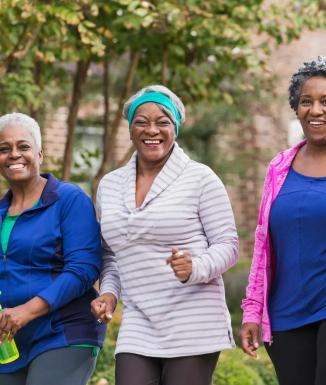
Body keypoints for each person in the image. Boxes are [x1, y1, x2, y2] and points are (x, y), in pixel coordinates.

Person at [91, 85, 239, 385]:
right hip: (139, 319)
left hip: (192, 320)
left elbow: (228, 245)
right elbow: (110, 253)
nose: (152, 130)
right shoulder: (109, 185)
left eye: (162, 122)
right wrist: (109, 292)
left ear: (176, 128)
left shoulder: (200, 178)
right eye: (141, 122)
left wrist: (195, 267)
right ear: (130, 130)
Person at [240, 56, 326, 385]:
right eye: (306, 101)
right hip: (286, 312)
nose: (315, 110)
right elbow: (263, 244)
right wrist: (252, 309)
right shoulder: (279, 168)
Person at [0, 113, 105, 385]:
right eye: (4, 149)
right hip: (10, 343)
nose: (14, 154)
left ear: (40, 154)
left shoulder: (69, 200)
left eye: (23, 147)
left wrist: (27, 310)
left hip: (64, 333)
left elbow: (84, 269)